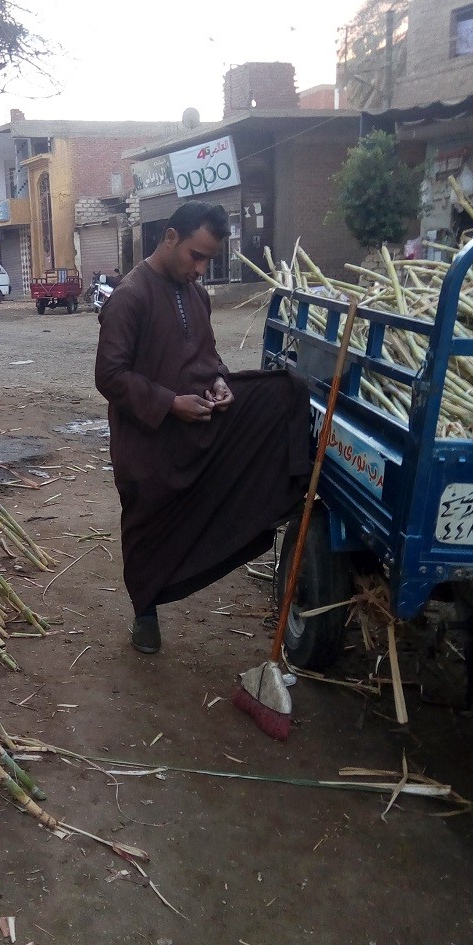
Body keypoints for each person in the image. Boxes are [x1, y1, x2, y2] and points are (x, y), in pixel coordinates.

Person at [94, 200, 311, 654]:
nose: (201, 268)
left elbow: (207, 357)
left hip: (199, 422)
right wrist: (170, 404)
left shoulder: (197, 295)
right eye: (197, 255)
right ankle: (146, 611)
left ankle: (281, 495)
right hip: (149, 439)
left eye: (209, 259)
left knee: (284, 390)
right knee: (147, 524)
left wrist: (219, 382)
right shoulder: (129, 297)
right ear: (170, 237)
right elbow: (109, 376)